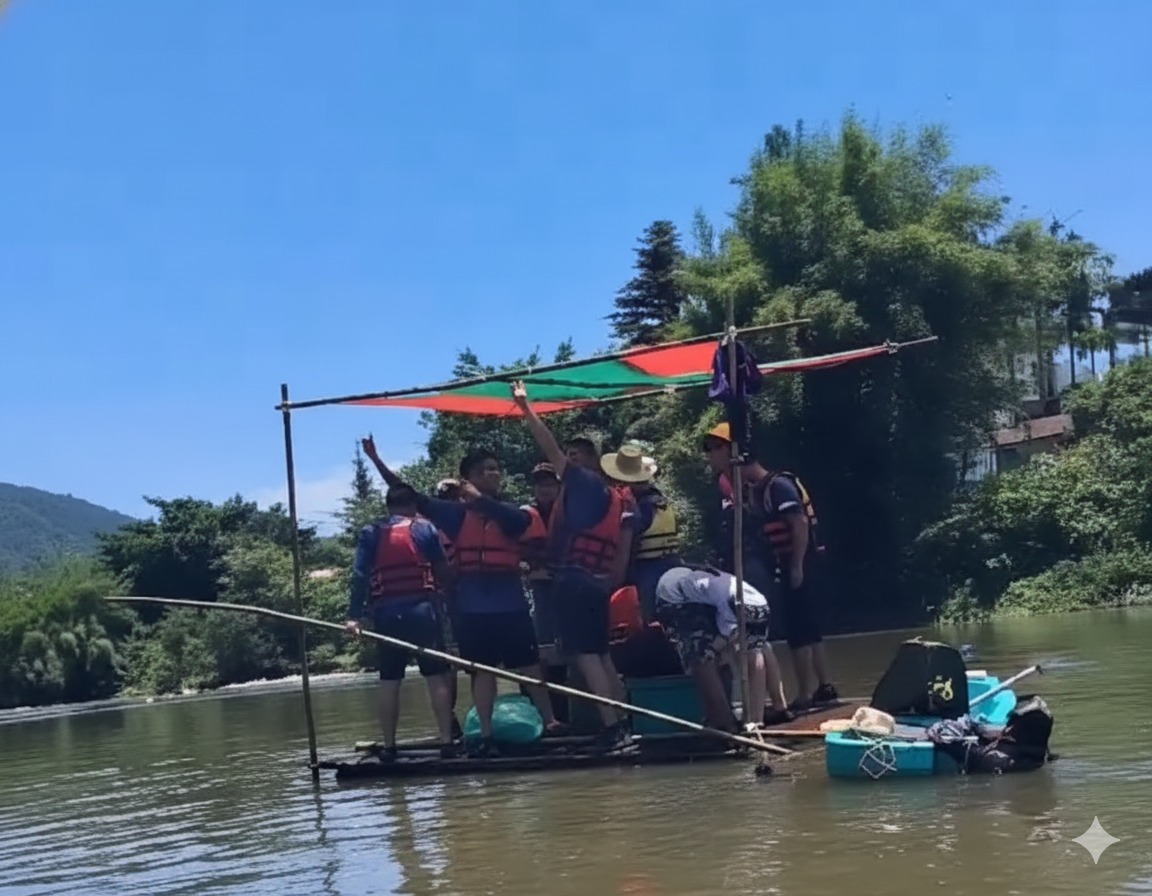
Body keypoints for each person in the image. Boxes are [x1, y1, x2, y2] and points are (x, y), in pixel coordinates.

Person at [360, 441, 564, 757]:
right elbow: (407, 493)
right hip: (473, 608)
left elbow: (517, 525)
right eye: (485, 471)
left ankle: (550, 723)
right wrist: (377, 460)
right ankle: (485, 734)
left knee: (529, 665)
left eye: (496, 468)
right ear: (469, 478)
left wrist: (477, 498)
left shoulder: (514, 513)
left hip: (510, 603)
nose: (493, 474)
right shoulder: (454, 516)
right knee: (482, 671)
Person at [512, 380, 637, 750]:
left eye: (577, 456)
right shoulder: (612, 496)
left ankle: (612, 725)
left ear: (593, 463)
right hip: (594, 582)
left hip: (577, 582)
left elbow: (548, 447)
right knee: (600, 653)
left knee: (586, 655)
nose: (571, 460)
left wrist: (525, 408)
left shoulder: (584, 483)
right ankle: (623, 718)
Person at [703, 422, 838, 713]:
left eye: (716, 449)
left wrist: (797, 566)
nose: (710, 455)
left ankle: (804, 693)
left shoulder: (777, 485)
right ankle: (824, 686)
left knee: (798, 627)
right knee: (809, 625)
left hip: (799, 559)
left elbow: (799, 523)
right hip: (789, 560)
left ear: (736, 454)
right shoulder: (755, 489)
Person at [344, 485, 458, 761]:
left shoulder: (371, 533)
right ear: (413, 505)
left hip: (386, 614)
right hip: (422, 611)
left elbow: (360, 575)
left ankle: (390, 745)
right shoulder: (425, 529)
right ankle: (446, 741)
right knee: (435, 675)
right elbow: (441, 568)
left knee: (390, 679)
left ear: (388, 505)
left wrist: (354, 616)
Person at [654, 565, 771, 733]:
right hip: (674, 598)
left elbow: (744, 648)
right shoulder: (728, 603)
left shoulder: (758, 603)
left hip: (696, 590)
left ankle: (753, 720)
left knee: (731, 653)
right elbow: (722, 639)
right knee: (702, 656)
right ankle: (725, 722)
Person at [519, 462, 570, 723]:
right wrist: (528, 571)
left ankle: (568, 713)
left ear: (558, 487)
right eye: (540, 484)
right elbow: (515, 554)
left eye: (550, 484)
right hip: (539, 588)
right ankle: (545, 716)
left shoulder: (569, 514)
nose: (545, 489)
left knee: (570, 649)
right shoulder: (525, 515)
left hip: (567, 586)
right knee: (543, 649)